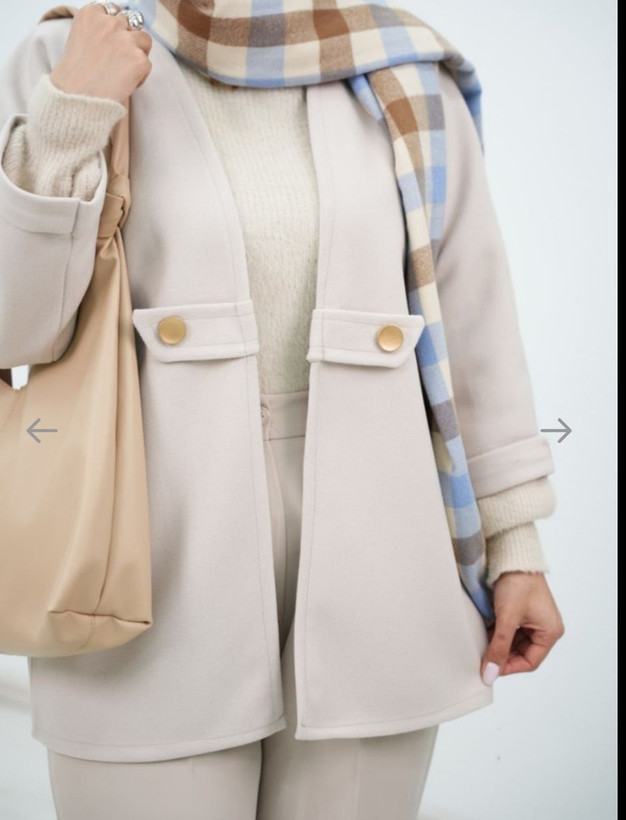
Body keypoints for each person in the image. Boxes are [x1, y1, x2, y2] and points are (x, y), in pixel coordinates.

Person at [0, 2, 565, 818]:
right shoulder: (74, 50)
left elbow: (474, 328)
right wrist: (69, 117)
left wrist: (517, 547)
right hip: (144, 541)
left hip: (383, 549)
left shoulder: (407, 69)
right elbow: (13, 328)